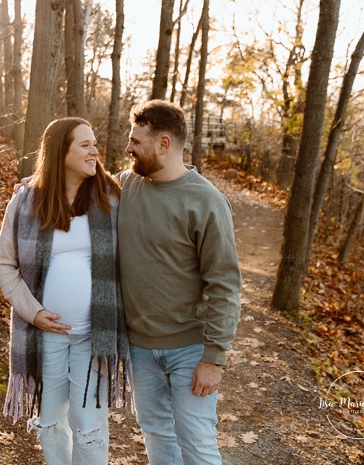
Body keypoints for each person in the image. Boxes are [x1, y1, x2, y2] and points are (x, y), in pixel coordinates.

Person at [0, 117, 131, 465]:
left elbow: (155, 183)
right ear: (60, 151)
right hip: (45, 336)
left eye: (95, 143)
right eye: (84, 144)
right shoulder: (25, 203)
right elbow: (4, 265)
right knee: (51, 423)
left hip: (94, 337)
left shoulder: (112, 199)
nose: (95, 150)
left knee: (89, 427)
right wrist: (33, 313)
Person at [117, 99, 242, 465]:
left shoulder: (206, 201)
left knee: (198, 444)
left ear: (164, 143)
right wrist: (36, 185)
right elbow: (75, 186)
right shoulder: (125, 185)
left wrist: (215, 358)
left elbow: (224, 284)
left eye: (136, 141)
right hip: (139, 348)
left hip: (190, 348)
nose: (128, 149)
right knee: (156, 433)